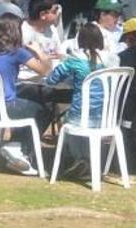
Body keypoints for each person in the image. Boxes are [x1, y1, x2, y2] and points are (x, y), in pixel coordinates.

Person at [0, 13, 51, 175]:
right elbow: (46, 71)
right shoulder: (16, 51)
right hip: (2, 107)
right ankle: (18, 147)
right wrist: (39, 51)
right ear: (16, 31)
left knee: (27, 103)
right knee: (44, 111)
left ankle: (16, 149)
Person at [45, 22, 108, 175]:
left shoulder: (75, 60)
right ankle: (86, 159)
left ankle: (79, 157)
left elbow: (51, 79)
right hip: (106, 117)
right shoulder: (111, 59)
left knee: (68, 120)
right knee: (80, 119)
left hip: (81, 115)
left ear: (80, 40)